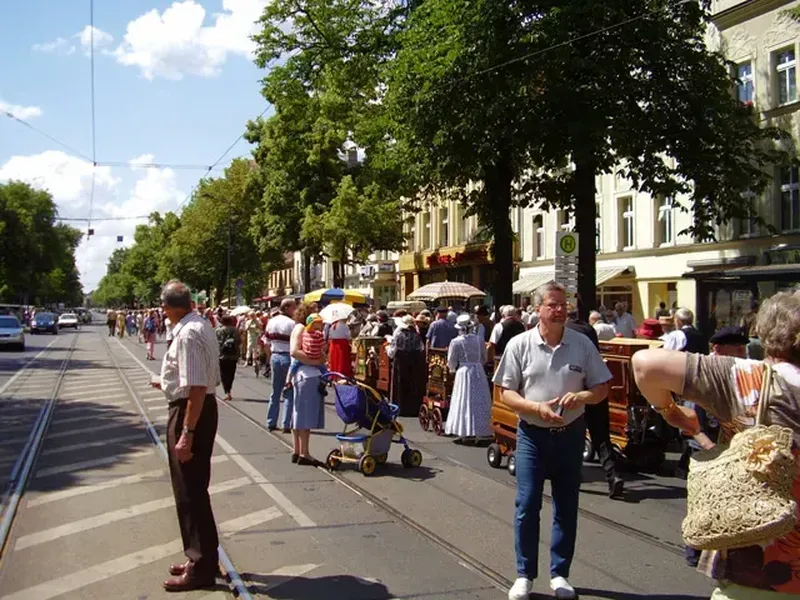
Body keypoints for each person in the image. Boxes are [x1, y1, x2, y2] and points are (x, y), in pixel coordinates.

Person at [632, 291, 800, 599]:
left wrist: (670, 412)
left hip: (757, 569)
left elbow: (644, 364)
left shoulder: (746, 377)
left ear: (761, 333)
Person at [494, 281, 612, 600]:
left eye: (563, 304)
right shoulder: (520, 344)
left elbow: (602, 387)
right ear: (538, 309)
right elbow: (506, 392)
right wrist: (536, 408)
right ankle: (524, 575)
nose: (560, 309)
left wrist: (583, 396)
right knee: (527, 504)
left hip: (570, 435)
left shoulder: (582, 344)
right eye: (552, 304)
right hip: (532, 435)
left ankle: (560, 574)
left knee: (567, 506)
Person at [151, 281, 221, 592]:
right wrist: (166, 383)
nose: (161, 311)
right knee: (194, 487)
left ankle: (201, 566)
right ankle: (203, 556)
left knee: (189, 490)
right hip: (197, 407)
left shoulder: (189, 333)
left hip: (190, 412)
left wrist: (186, 434)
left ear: (170, 306)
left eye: (163, 306)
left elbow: (195, 386)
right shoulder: (197, 324)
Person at [566, 308, 625, 499]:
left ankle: (573, 476)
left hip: (576, 386)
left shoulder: (565, 330)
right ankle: (612, 475)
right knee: (601, 436)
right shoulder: (589, 330)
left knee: (573, 432)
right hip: (596, 384)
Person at [444, 314, 493, 444]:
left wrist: (452, 369)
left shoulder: (456, 341)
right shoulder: (479, 340)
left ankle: (464, 431)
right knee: (479, 399)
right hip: (477, 370)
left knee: (464, 399)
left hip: (464, 371)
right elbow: (484, 358)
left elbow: (451, 361)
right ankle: (481, 431)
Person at [289, 302, 325, 466]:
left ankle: (297, 450)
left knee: (298, 413)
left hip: (302, 375)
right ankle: (305, 453)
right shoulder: (302, 329)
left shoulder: (302, 329)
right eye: (315, 311)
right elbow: (295, 352)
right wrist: (316, 360)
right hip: (307, 375)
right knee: (305, 415)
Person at [265, 298, 297, 433]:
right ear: (287, 308)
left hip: (275, 355)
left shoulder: (271, 322)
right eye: (294, 307)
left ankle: (271, 421)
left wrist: (268, 357)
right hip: (288, 357)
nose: (295, 310)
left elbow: (266, 342)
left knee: (275, 391)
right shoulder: (292, 323)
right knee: (289, 391)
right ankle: (286, 424)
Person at [386, 315, 426, 416]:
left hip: (401, 361)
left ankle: (401, 408)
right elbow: (421, 348)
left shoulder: (399, 334)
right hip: (414, 361)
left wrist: (387, 348)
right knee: (412, 383)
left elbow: (392, 351)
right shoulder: (416, 334)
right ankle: (412, 407)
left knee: (400, 384)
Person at [286, 314, 329, 386]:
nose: (321, 324)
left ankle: (288, 381)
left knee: (293, 366)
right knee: (324, 369)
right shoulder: (319, 334)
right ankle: (324, 382)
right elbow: (324, 346)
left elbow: (301, 344)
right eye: (319, 323)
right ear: (313, 323)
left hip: (305, 356)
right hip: (315, 356)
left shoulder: (305, 332)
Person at [216, 315, 240, 401]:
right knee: (231, 373)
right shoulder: (235, 330)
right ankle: (229, 389)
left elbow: (215, 342)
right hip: (233, 355)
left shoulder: (218, 330)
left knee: (223, 374)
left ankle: (226, 391)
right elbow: (239, 341)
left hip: (222, 355)